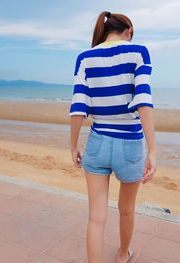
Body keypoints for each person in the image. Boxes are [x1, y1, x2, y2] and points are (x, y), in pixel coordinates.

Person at [69, 10, 157, 263]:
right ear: (128, 31)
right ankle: (122, 254)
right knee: (126, 210)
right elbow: (143, 101)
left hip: (97, 142)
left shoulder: (84, 58)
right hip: (130, 144)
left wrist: (73, 145)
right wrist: (153, 151)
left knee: (96, 217)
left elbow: (78, 105)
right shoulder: (139, 52)